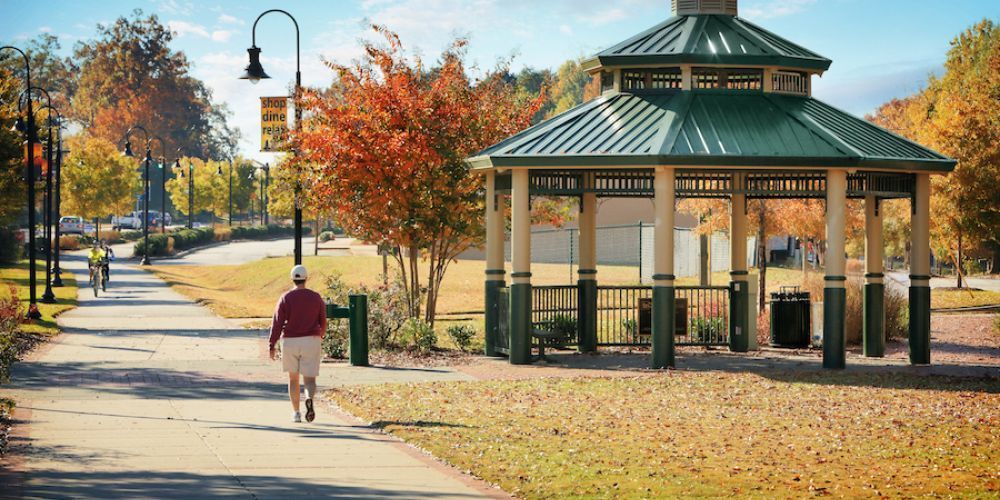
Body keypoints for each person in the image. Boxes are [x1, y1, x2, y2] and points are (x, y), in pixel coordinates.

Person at [268, 265, 327, 423]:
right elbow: (323, 320)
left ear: (292, 279)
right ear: (306, 278)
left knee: (293, 379)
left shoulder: (285, 297)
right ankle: (309, 398)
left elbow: (277, 323)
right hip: (311, 340)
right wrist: (320, 335)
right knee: (310, 380)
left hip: (290, 341)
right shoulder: (316, 297)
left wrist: (272, 344)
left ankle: (296, 413)